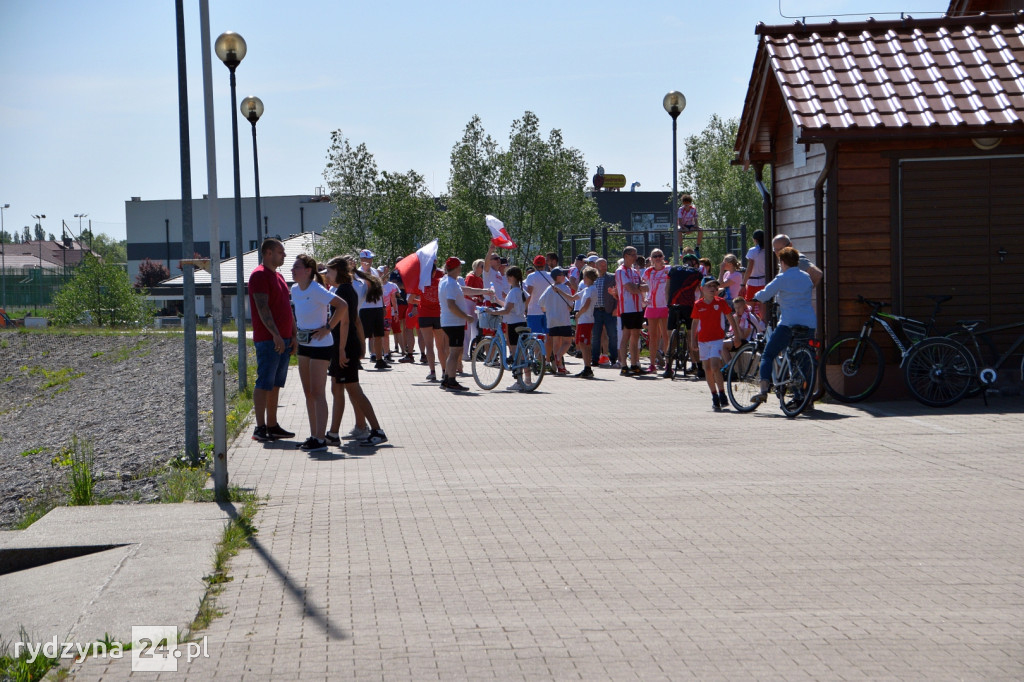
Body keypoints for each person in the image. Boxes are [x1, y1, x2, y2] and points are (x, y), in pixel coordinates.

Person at [321, 255, 388, 446]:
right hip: (345, 344)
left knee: (353, 389)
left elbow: (347, 321)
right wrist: (360, 344)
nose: (327, 275)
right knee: (338, 387)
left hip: (344, 345)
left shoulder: (344, 290)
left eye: (329, 271)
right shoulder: (345, 289)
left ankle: (376, 430)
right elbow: (356, 319)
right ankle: (333, 433)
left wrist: (343, 349)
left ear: (338, 271)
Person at [290, 253, 348, 452]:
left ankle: (321, 438)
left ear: (307, 271)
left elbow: (342, 305)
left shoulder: (317, 289)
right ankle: (314, 435)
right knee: (308, 392)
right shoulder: (294, 289)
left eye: (296, 267)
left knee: (317, 391)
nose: (292, 270)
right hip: (304, 342)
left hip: (321, 344)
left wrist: (328, 328)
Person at [751, 246, 816, 404]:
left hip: (788, 323)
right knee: (803, 360)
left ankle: (764, 390)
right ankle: (804, 398)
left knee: (768, 354)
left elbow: (765, 294)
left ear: (782, 262)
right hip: (808, 323)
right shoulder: (806, 277)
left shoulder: (782, 277)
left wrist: (755, 296)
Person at [248, 238, 296, 443]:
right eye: (280, 252)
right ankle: (260, 427)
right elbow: (262, 307)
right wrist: (275, 334)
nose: (283, 256)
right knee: (264, 382)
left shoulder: (279, 276)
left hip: (284, 338)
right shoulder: (259, 275)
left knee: (275, 384)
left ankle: (272, 425)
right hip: (269, 340)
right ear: (268, 253)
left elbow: (287, 307)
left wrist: (294, 335)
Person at [691, 277, 741, 411]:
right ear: (702, 289)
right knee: (707, 368)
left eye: (715, 286)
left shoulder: (721, 302)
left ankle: (722, 393)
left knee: (714, 366)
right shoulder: (698, 304)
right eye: (709, 286)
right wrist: (693, 340)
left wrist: (736, 335)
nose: (713, 289)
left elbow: (730, 318)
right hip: (703, 340)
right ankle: (714, 396)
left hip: (717, 339)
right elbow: (695, 323)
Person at [491, 266, 532, 391]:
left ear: (512, 277)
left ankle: (519, 381)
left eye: (508, 276)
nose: (507, 279)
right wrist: (497, 301)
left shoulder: (513, 291)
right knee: (522, 352)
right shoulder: (519, 290)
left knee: (516, 353)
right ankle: (528, 380)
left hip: (514, 324)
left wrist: (492, 312)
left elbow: (507, 310)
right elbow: (511, 306)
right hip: (522, 322)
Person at [551, 266, 597, 377]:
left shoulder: (591, 289)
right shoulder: (586, 289)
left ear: (587, 277)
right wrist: (559, 291)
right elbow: (572, 298)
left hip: (586, 320)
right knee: (582, 343)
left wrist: (579, 314)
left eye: (584, 276)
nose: (583, 279)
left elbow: (587, 304)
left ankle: (587, 368)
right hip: (583, 320)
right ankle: (587, 367)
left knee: (584, 343)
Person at [662, 252, 703, 379]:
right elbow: (702, 291)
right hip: (688, 306)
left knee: (670, 339)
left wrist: (669, 303)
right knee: (691, 337)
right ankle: (699, 368)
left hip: (673, 305)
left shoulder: (672, 269)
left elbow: (666, 289)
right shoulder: (697, 273)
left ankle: (668, 368)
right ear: (694, 263)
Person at [615, 247, 648, 376]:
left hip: (638, 307)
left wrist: (638, 287)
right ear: (626, 256)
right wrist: (639, 288)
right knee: (626, 336)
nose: (635, 257)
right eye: (632, 255)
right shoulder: (620, 271)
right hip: (627, 308)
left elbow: (645, 287)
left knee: (636, 336)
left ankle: (635, 364)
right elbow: (631, 289)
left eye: (636, 254)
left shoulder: (635, 272)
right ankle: (623, 365)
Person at [538, 267, 573, 374]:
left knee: (556, 343)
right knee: (567, 342)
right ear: (558, 277)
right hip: (563, 319)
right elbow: (570, 305)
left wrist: (548, 310)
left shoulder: (548, 289)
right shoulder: (565, 288)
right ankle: (558, 356)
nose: (565, 277)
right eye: (563, 275)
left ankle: (560, 366)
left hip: (551, 320)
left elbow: (540, 303)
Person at [642, 249, 671, 374]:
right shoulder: (648, 272)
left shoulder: (669, 269)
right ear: (651, 259)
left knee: (665, 336)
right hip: (652, 306)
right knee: (653, 336)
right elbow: (643, 286)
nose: (658, 258)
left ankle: (668, 364)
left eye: (660, 255)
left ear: (663, 257)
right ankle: (652, 364)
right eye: (655, 256)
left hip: (665, 306)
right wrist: (643, 299)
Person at [354, 267, 388, 370]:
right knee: (362, 335)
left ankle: (379, 360)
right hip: (365, 309)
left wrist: (383, 306)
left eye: (370, 258)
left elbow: (380, 292)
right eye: (366, 258)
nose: (368, 261)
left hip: (377, 308)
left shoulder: (374, 271)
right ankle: (357, 360)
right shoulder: (358, 273)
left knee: (378, 335)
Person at [591, 258, 618, 368]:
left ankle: (614, 359)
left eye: (605, 264)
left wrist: (616, 308)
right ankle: (595, 359)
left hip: (609, 311)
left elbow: (617, 294)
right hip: (596, 311)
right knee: (595, 336)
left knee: (612, 335)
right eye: (601, 265)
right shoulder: (592, 278)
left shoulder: (612, 277)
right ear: (596, 266)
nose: (604, 267)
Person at [524, 254, 553, 336]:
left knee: (535, 337)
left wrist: (525, 308)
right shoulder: (551, 275)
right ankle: (547, 349)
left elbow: (529, 294)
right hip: (548, 310)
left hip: (533, 311)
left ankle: (537, 349)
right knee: (548, 336)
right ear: (545, 264)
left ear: (534, 264)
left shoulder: (531, 276)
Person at [741, 229, 767, 315]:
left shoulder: (753, 251)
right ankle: (762, 326)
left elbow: (749, 268)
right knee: (762, 307)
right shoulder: (768, 250)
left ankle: (752, 326)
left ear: (755, 239)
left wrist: (743, 284)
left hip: (752, 282)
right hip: (764, 281)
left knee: (749, 309)